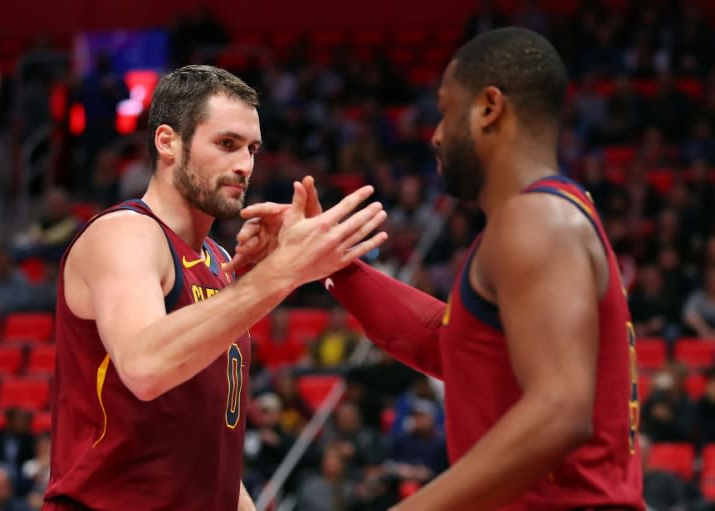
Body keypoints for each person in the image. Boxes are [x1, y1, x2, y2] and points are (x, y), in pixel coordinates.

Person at [229, 28, 644, 509]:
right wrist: (332, 263)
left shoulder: (535, 220)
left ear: (489, 108)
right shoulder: (553, 214)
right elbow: (448, 347)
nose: (436, 135)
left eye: (446, 111)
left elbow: (560, 411)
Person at [42, 64, 387, 511]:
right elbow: (146, 366)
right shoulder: (126, 233)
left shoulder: (221, 263)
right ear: (167, 142)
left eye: (252, 149)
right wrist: (282, 270)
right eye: (226, 144)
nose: (244, 165)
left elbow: (208, 454)